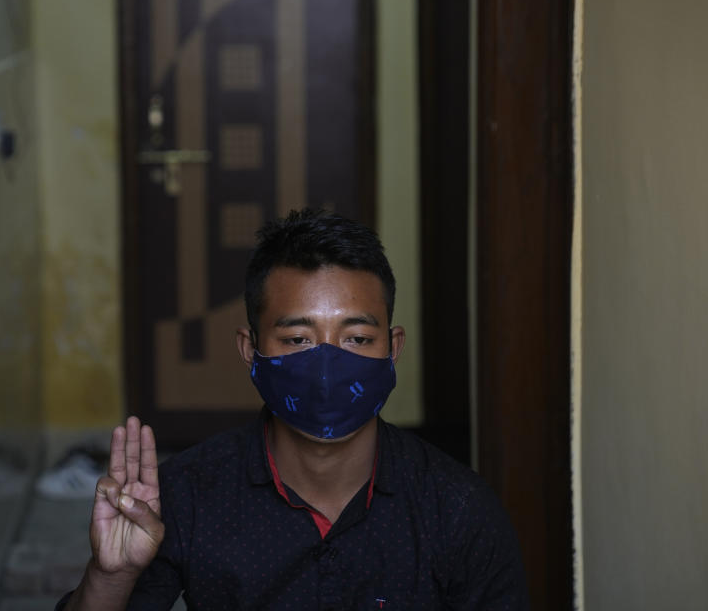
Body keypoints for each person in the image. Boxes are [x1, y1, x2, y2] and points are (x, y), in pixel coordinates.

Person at [59, 209, 528, 610]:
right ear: (250, 349)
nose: (326, 366)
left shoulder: (458, 511)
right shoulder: (187, 496)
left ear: (393, 347)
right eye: (299, 339)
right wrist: (111, 577)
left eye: (358, 339)